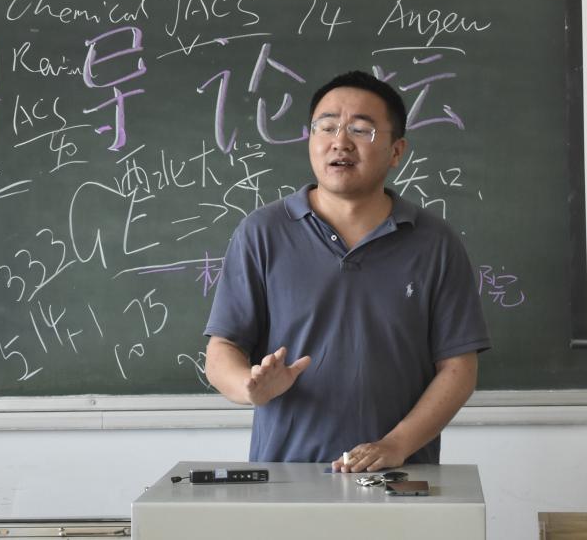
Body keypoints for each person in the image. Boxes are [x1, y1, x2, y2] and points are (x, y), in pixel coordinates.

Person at [203, 70, 490, 473]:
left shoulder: (434, 242)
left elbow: (458, 369)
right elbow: (222, 350)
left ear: (396, 151)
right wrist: (250, 388)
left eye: (360, 129)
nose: (340, 142)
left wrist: (396, 444)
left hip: (400, 477)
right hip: (286, 476)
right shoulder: (263, 233)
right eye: (326, 127)